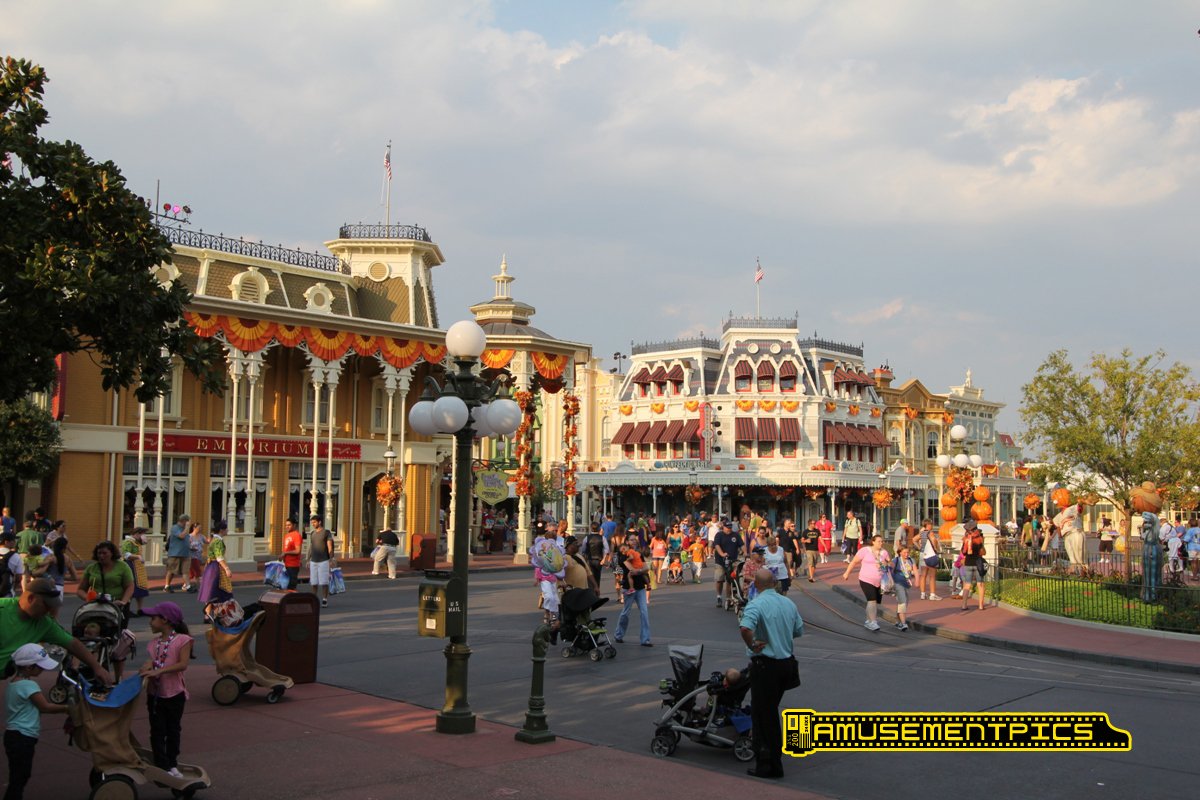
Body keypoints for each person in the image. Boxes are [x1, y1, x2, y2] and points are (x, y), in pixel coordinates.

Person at [738, 568, 804, 780]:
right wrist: (780, 634)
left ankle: (769, 764)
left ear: (756, 585)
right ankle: (773, 758)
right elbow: (798, 630)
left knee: (763, 715)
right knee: (770, 710)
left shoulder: (756, 604)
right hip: (786, 665)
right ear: (774, 583)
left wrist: (752, 644)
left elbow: (745, 628)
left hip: (766, 665)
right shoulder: (788, 603)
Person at [0, 578, 114, 682]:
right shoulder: (3, 609)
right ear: (31, 598)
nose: (49, 611)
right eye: (46, 605)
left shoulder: (44, 623)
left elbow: (73, 644)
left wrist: (97, 667)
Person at [4, 643, 69, 800]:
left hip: (14, 735)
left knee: (18, 775)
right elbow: (45, 707)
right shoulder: (29, 685)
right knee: (20, 777)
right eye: (40, 666)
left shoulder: (13, 684)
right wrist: (68, 708)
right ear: (29, 667)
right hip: (23, 736)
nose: (42, 670)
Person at [137, 601, 193, 779]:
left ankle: (172, 763)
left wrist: (159, 671)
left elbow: (182, 664)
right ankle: (162, 765)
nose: (150, 622)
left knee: (173, 730)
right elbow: (151, 661)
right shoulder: (153, 643)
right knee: (157, 730)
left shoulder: (182, 640)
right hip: (155, 695)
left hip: (175, 693)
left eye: (153, 618)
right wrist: (146, 668)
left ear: (165, 620)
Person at [842, 534, 889, 631]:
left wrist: (886, 564)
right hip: (866, 579)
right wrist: (847, 573)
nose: (881, 543)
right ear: (873, 542)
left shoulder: (884, 552)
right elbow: (854, 562)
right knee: (872, 600)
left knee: (873, 602)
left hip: (879, 581)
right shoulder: (865, 551)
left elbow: (890, 564)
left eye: (882, 541)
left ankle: (868, 621)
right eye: (879, 541)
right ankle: (873, 622)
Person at [77, 541, 136, 609]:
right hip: (96, 605)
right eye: (99, 553)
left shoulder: (123, 567)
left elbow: (130, 586)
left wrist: (123, 602)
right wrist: (88, 598)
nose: (101, 556)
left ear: (112, 553)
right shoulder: (91, 568)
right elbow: (80, 590)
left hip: (117, 605)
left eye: (104, 553)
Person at [614, 541, 652, 646]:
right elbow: (631, 569)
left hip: (640, 588)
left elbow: (646, 568)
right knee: (626, 612)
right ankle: (618, 634)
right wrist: (640, 570)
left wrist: (639, 571)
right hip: (629, 588)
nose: (633, 542)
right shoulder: (623, 558)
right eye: (621, 550)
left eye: (634, 540)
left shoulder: (638, 554)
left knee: (644, 612)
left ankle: (645, 639)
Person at [198, 521, 234, 617]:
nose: (227, 530)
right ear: (222, 530)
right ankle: (217, 614)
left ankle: (208, 615)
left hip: (210, 566)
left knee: (211, 591)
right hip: (215, 567)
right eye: (226, 529)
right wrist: (227, 569)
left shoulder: (214, 539)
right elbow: (219, 557)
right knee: (218, 591)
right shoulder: (218, 541)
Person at [120, 527, 151, 614]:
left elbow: (144, 542)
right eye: (142, 534)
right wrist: (138, 556)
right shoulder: (128, 542)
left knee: (140, 588)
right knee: (130, 587)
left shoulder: (136, 542)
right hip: (130, 566)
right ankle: (127, 609)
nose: (143, 536)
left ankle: (140, 609)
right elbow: (126, 555)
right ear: (137, 534)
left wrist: (144, 540)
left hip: (138, 568)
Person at [307, 515, 335, 608]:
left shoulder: (326, 533)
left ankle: (324, 599)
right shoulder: (312, 533)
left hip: (324, 561)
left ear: (319, 522)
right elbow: (311, 547)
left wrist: (331, 559)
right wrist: (308, 558)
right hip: (313, 561)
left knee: (324, 582)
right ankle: (314, 599)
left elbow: (330, 546)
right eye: (312, 523)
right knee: (314, 582)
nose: (313, 524)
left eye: (314, 522)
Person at [959, 519, 987, 611]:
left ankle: (964, 605)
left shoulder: (966, 539)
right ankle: (981, 605)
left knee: (967, 585)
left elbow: (963, 552)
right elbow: (982, 552)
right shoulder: (979, 538)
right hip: (978, 563)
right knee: (980, 584)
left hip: (968, 563)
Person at [713, 523, 743, 609]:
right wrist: (722, 554)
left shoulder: (735, 535)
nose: (729, 529)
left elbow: (742, 545)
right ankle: (719, 596)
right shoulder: (719, 535)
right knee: (719, 579)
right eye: (727, 527)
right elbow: (717, 546)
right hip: (720, 561)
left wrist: (746, 553)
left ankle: (728, 598)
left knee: (730, 580)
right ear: (723, 527)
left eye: (730, 527)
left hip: (733, 561)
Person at [163, 514, 192, 594]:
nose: (189, 523)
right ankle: (167, 586)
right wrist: (187, 528)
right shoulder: (175, 528)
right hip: (175, 553)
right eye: (188, 521)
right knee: (171, 571)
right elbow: (181, 536)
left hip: (185, 553)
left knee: (185, 571)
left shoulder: (185, 529)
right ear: (184, 521)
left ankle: (188, 586)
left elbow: (186, 538)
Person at [891, 543, 916, 631]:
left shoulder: (911, 560)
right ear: (900, 552)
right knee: (903, 601)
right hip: (898, 583)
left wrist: (917, 580)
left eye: (908, 552)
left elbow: (915, 570)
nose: (906, 554)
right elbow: (891, 570)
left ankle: (898, 620)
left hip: (907, 584)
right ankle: (903, 623)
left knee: (904, 603)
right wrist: (891, 582)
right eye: (904, 552)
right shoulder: (896, 560)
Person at [915, 519, 941, 600]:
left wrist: (919, 547)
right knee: (932, 576)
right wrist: (936, 547)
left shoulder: (922, 533)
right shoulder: (930, 533)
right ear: (928, 525)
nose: (932, 526)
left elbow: (914, 539)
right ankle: (932, 594)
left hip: (923, 554)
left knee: (923, 575)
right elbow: (933, 540)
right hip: (930, 554)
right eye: (931, 524)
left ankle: (922, 594)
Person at [1056, 503, 1085, 573]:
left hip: (1075, 532)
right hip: (1067, 535)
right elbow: (1056, 525)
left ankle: (1082, 570)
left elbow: (1079, 506)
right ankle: (1075, 570)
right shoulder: (1059, 516)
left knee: (1079, 555)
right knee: (1071, 555)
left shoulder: (1072, 509)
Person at [583, 523, 609, 591]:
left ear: (591, 528)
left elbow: (583, 550)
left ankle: (591, 592)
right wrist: (604, 559)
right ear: (599, 529)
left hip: (589, 560)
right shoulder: (602, 538)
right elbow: (607, 550)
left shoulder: (587, 538)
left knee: (590, 577)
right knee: (597, 577)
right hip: (599, 560)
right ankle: (597, 591)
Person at [0, 532, 25, 600]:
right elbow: (19, 577)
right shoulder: (15, 556)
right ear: (6, 542)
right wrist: (14, 587)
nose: (15, 542)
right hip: (7, 594)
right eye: (13, 540)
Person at [280, 519, 303, 590]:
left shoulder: (297, 535)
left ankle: (292, 597)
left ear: (294, 525)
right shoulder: (287, 535)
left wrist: (285, 553)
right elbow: (286, 549)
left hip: (293, 565)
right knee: (285, 586)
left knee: (291, 586)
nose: (287, 527)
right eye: (286, 525)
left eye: (289, 525)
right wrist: (282, 557)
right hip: (286, 564)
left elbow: (297, 551)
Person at [185, 523, 205, 592]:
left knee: (193, 573)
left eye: (201, 528)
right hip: (192, 556)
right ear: (194, 528)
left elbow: (207, 541)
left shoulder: (201, 536)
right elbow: (187, 545)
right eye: (199, 528)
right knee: (197, 571)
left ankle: (186, 585)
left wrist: (212, 538)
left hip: (199, 556)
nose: (200, 529)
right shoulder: (189, 536)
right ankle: (199, 587)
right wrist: (191, 548)